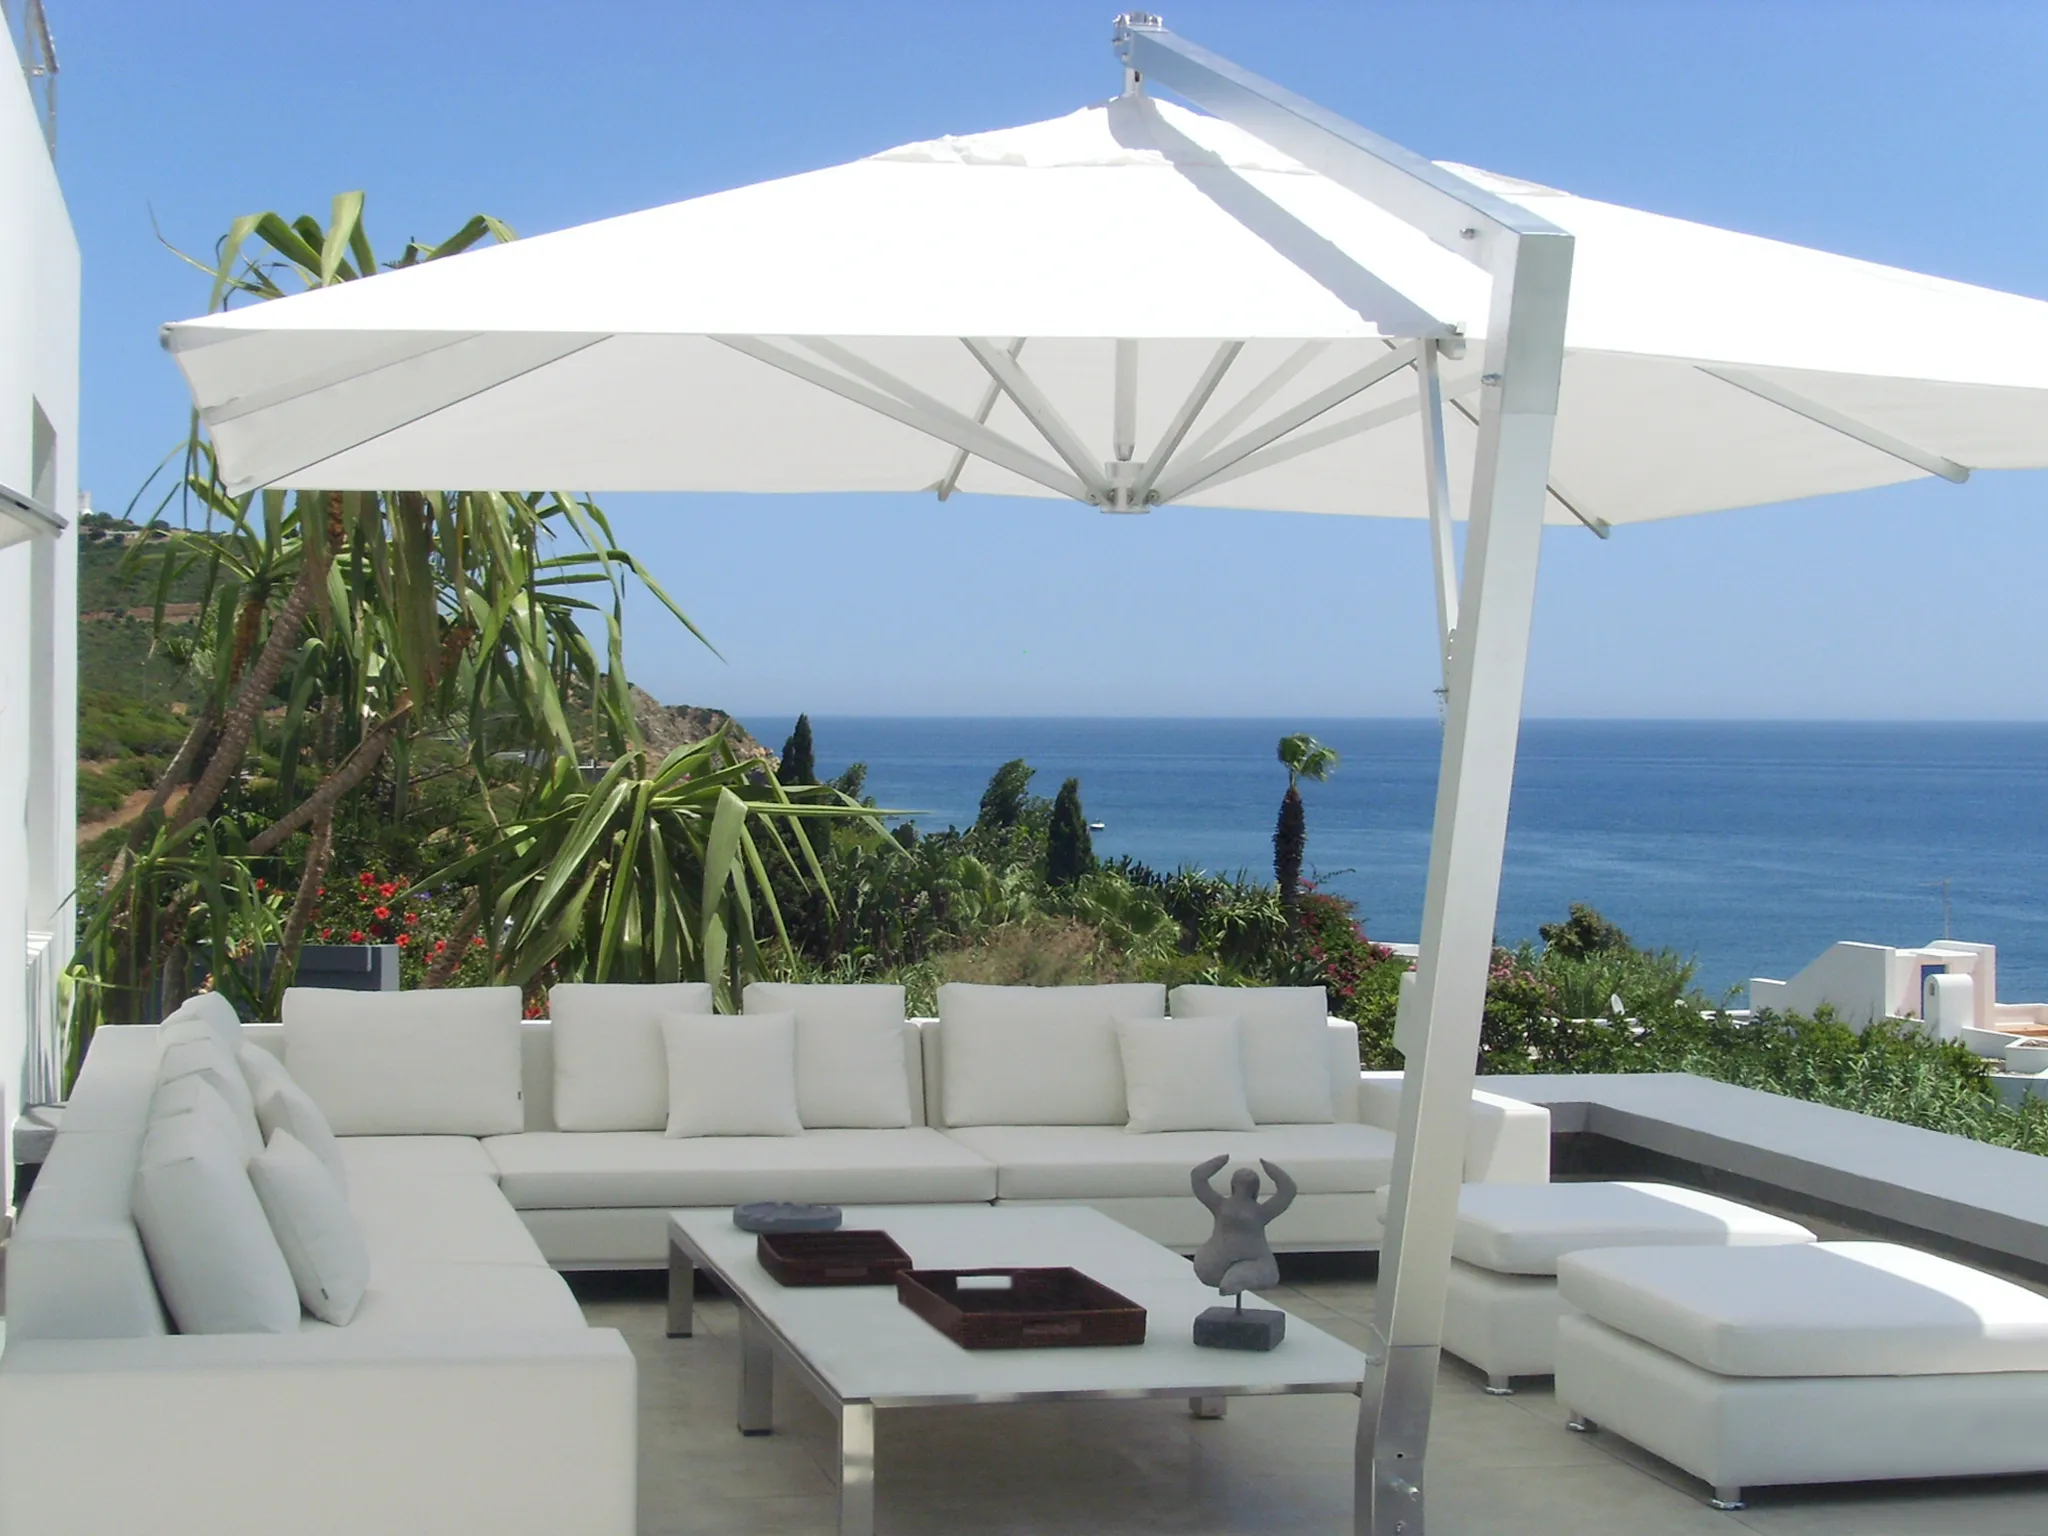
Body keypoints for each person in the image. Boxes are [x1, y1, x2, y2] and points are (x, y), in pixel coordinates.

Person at [1190, 1154, 1297, 1303]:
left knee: (1255, 1270)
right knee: (1266, 1271)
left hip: (1216, 1264)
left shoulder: (1220, 1205)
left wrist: (1221, 1161)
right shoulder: (1260, 1212)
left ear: (1232, 1187)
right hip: (1223, 1264)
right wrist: (1268, 1167)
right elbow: (1288, 1190)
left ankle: (1234, 1279)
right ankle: (1234, 1280)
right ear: (1256, 1190)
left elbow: (1197, 1177)